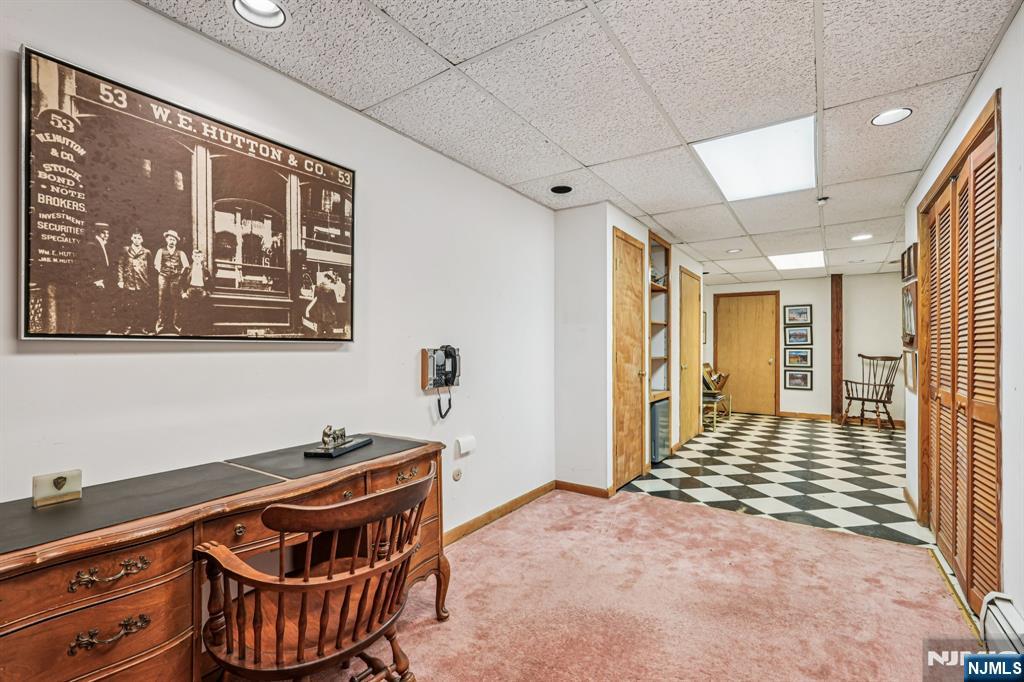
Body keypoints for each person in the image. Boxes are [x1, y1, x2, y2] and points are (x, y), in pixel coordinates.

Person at [77, 222, 115, 334]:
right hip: (95, 283)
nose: (107, 236)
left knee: (100, 306)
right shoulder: (92, 245)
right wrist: (95, 281)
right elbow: (88, 266)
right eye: (106, 233)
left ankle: (100, 329)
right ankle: (96, 330)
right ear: (101, 233)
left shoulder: (101, 245)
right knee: (94, 307)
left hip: (101, 282)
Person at [116, 229, 153, 334]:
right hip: (129, 282)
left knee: (142, 306)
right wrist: (120, 280)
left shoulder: (146, 252)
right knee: (129, 305)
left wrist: (148, 282)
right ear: (131, 238)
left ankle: (142, 327)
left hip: (142, 282)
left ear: (142, 240)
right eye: (135, 238)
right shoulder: (125, 250)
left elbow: (150, 269)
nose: (137, 240)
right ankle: (128, 327)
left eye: (139, 238)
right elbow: (120, 265)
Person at [154, 229, 189, 335]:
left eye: (173, 239)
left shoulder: (181, 253)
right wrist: (161, 271)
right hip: (163, 277)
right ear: (166, 240)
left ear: (176, 241)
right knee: (161, 301)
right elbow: (156, 264)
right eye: (170, 239)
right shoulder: (161, 251)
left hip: (176, 278)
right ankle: (160, 327)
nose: (172, 241)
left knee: (176, 301)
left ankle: (177, 327)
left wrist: (180, 273)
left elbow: (186, 265)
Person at [180, 249, 213, 336]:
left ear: (202, 258)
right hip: (190, 291)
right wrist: (183, 293)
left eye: (199, 256)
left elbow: (210, 283)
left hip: (201, 291)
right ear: (192, 257)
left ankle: (198, 333)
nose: (197, 258)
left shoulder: (205, 270)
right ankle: (187, 332)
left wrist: (207, 292)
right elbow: (181, 282)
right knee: (189, 312)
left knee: (200, 312)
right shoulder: (188, 269)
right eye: (195, 256)